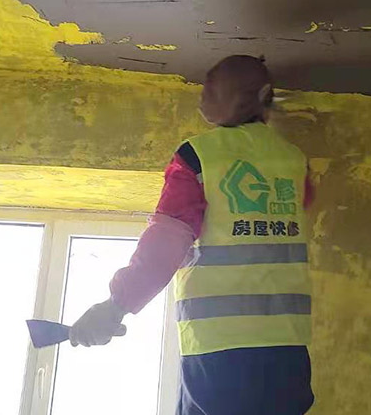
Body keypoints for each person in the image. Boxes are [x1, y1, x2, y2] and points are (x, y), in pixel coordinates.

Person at [69, 55, 315, 415]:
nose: (202, 95)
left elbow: (166, 241)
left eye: (212, 87)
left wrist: (116, 305)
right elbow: (301, 204)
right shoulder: (294, 160)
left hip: (221, 349)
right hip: (289, 348)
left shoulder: (198, 156)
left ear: (256, 95)